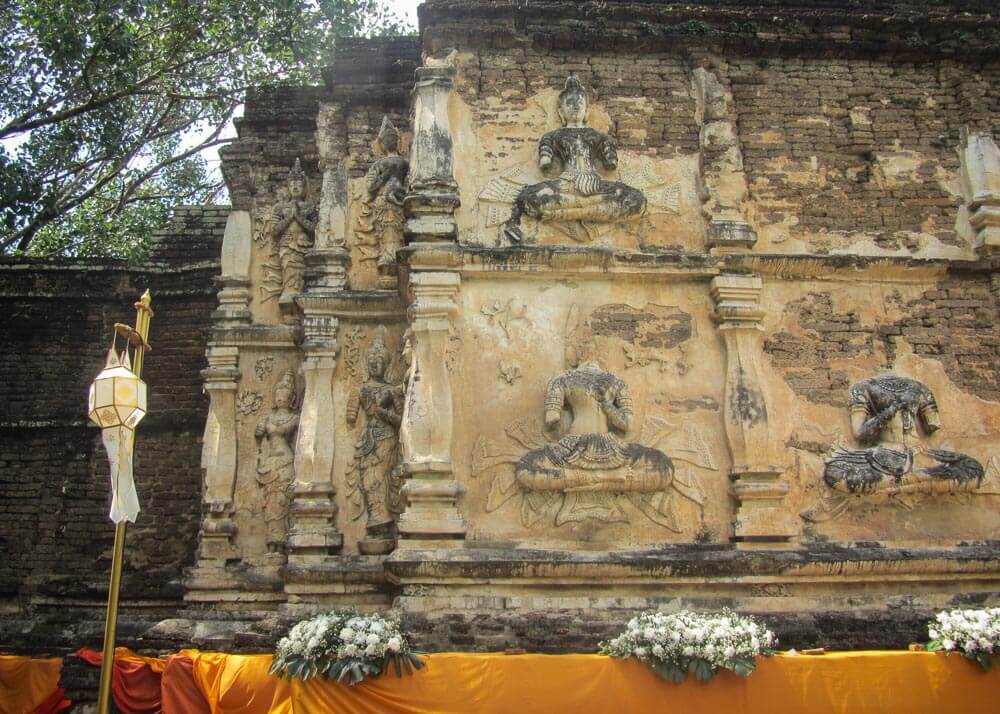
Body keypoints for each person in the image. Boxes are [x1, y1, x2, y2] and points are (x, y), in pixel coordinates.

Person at [503, 76, 646, 243]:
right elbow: (545, 163)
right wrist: (546, 155)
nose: (575, 106)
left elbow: (611, 164)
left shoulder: (598, 136)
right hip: (566, 184)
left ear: (587, 111)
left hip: (595, 185)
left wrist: (608, 149)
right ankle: (591, 212)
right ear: (560, 112)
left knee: (637, 200)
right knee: (529, 198)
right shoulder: (553, 136)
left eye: (580, 102)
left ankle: (569, 213)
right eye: (570, 102)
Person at [255, 371, 299, 551]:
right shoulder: (267, 418)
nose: (281, 397)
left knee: (282, 502)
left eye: (285, 394)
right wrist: (259, 431)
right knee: (271, 503)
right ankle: (272, 543)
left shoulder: (294, 418)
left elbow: (293, 436)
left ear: (291, 398)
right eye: (278, 393)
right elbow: (258, 439)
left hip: (286, 462)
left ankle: (281, 543)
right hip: (270, 463)